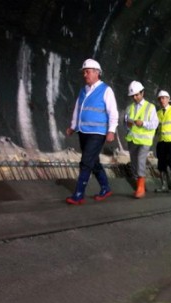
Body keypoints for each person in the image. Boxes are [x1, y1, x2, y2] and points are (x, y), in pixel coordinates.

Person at [65, 58, 119, 205]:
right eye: (84, 72)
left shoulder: (106, 90)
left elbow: (113, 112)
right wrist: (73, 126)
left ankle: (78, 194)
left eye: (87, 71)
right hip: (83, 131)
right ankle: (105, 188)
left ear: (97, 72)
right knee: (93, 161)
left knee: (86, 161)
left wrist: (111, 130)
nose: (85, 75)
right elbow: (78, 110)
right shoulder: (83, 91)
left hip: (98, 133)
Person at [125, 81, 158, 198]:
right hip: (132, 140)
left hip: (144, 141)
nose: (135, 97)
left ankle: (140, 188)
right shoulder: (129, 108)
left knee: (140, 160)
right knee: (134, 163)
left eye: (137, 95)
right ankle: (139, 184)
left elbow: (154, 124)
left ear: (142, 93)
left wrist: (143, 123)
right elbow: (126, 123)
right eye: (132, 96)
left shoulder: (150, 107)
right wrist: (128, 124)